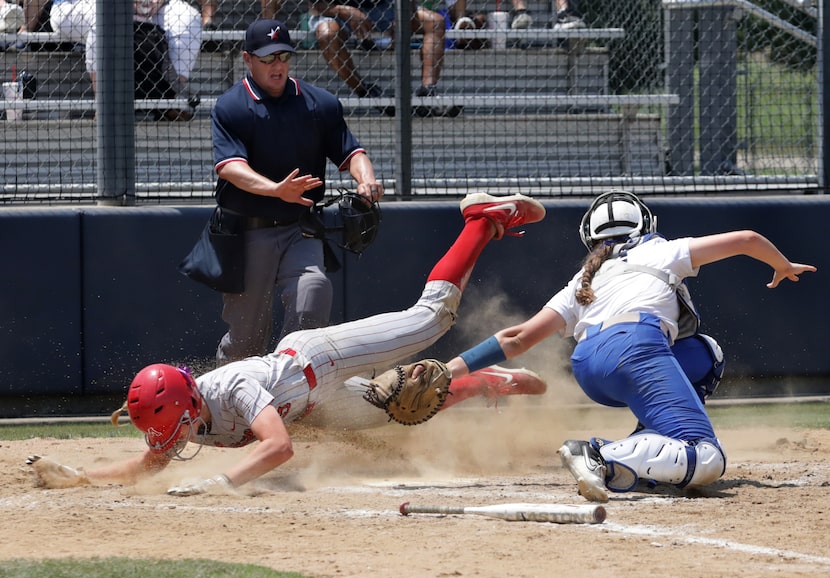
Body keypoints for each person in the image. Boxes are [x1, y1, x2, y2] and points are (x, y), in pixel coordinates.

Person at [28, 193, 548, 495]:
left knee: (431, 318)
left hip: (320, 359)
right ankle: (482, 382)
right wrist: (83, 479)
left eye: (173, 427)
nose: (172, 440)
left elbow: (279, 447)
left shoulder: (231, 390)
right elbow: (148, 465)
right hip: (310, 399)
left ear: (187, 404)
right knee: (403, 409)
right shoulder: (184, 410)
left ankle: (482, 219)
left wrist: (224, 482)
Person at [423, 190, 817, 502]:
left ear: (590, 240)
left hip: (590, 369)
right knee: (708, 459)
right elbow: (747, 238)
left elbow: (517, 337)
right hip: (637, 348)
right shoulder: (661, 249)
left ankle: (649, 443)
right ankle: (600, 455)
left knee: (704, 353)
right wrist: (782, 264)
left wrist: (449, 369)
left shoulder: (582, 280)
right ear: (646, 225)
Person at [209, 18, 386, 365]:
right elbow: (230, 167)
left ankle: (290, 389)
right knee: (247, 340)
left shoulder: (319, 104)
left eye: (283, 56)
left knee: (313, 293)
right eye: (267, 58)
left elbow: (353, 153)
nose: (277, 65)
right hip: (247, 230)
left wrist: (365, 179)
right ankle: (221, 406)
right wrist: (276, 190)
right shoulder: (231, 107)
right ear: (248, 59)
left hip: (300, 227)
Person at [19, 0, 201, 118]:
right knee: (104, 13)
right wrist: (26, 26)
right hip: (78, 5)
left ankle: (171, 99)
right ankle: (104, 105)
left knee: (188, 17)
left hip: (145, 4)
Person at [307, 0, 452, 116]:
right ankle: (365, 91)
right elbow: (314, 5)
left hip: (385, 8)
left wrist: (405, 16)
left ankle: (427, 92)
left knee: (435, 22)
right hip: (336, 11)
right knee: (327, 34)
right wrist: (343, 10)